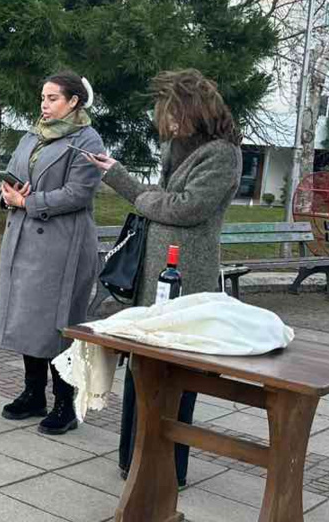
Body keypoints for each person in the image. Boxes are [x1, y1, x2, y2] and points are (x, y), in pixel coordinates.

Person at [83, 68, 242, 486]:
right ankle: (131, 459)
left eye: (170, 113)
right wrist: (116, 173)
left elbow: (185, 208)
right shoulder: (178, 149)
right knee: (143, 369)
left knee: (176, 377)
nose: (165, 122)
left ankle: (168, 469)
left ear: (192, 110)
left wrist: (149, 199)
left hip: (187, 277)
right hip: (154, 277)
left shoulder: (222, 154)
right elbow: (160, 200)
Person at [0, 71, 105, 435]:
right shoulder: (32, 135)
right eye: (43, 97)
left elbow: (78, 194)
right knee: (29, 318)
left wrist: (28, 201)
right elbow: (10, 176)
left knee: (58, 324)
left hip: (62, 244)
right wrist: (7, 196)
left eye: (53, 98)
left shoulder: (88, 140)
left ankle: (65, 403)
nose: (44, 105)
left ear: (74, 101)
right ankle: (32, 393)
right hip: (25, 239)